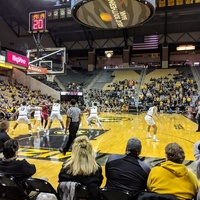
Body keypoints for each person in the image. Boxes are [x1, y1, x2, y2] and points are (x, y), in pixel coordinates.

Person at [58, 135, 103, 200]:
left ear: (74, 152)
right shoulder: (96, 169)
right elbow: (99, 184)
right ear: (90, 152)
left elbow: (60, 183)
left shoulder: (65, 168)